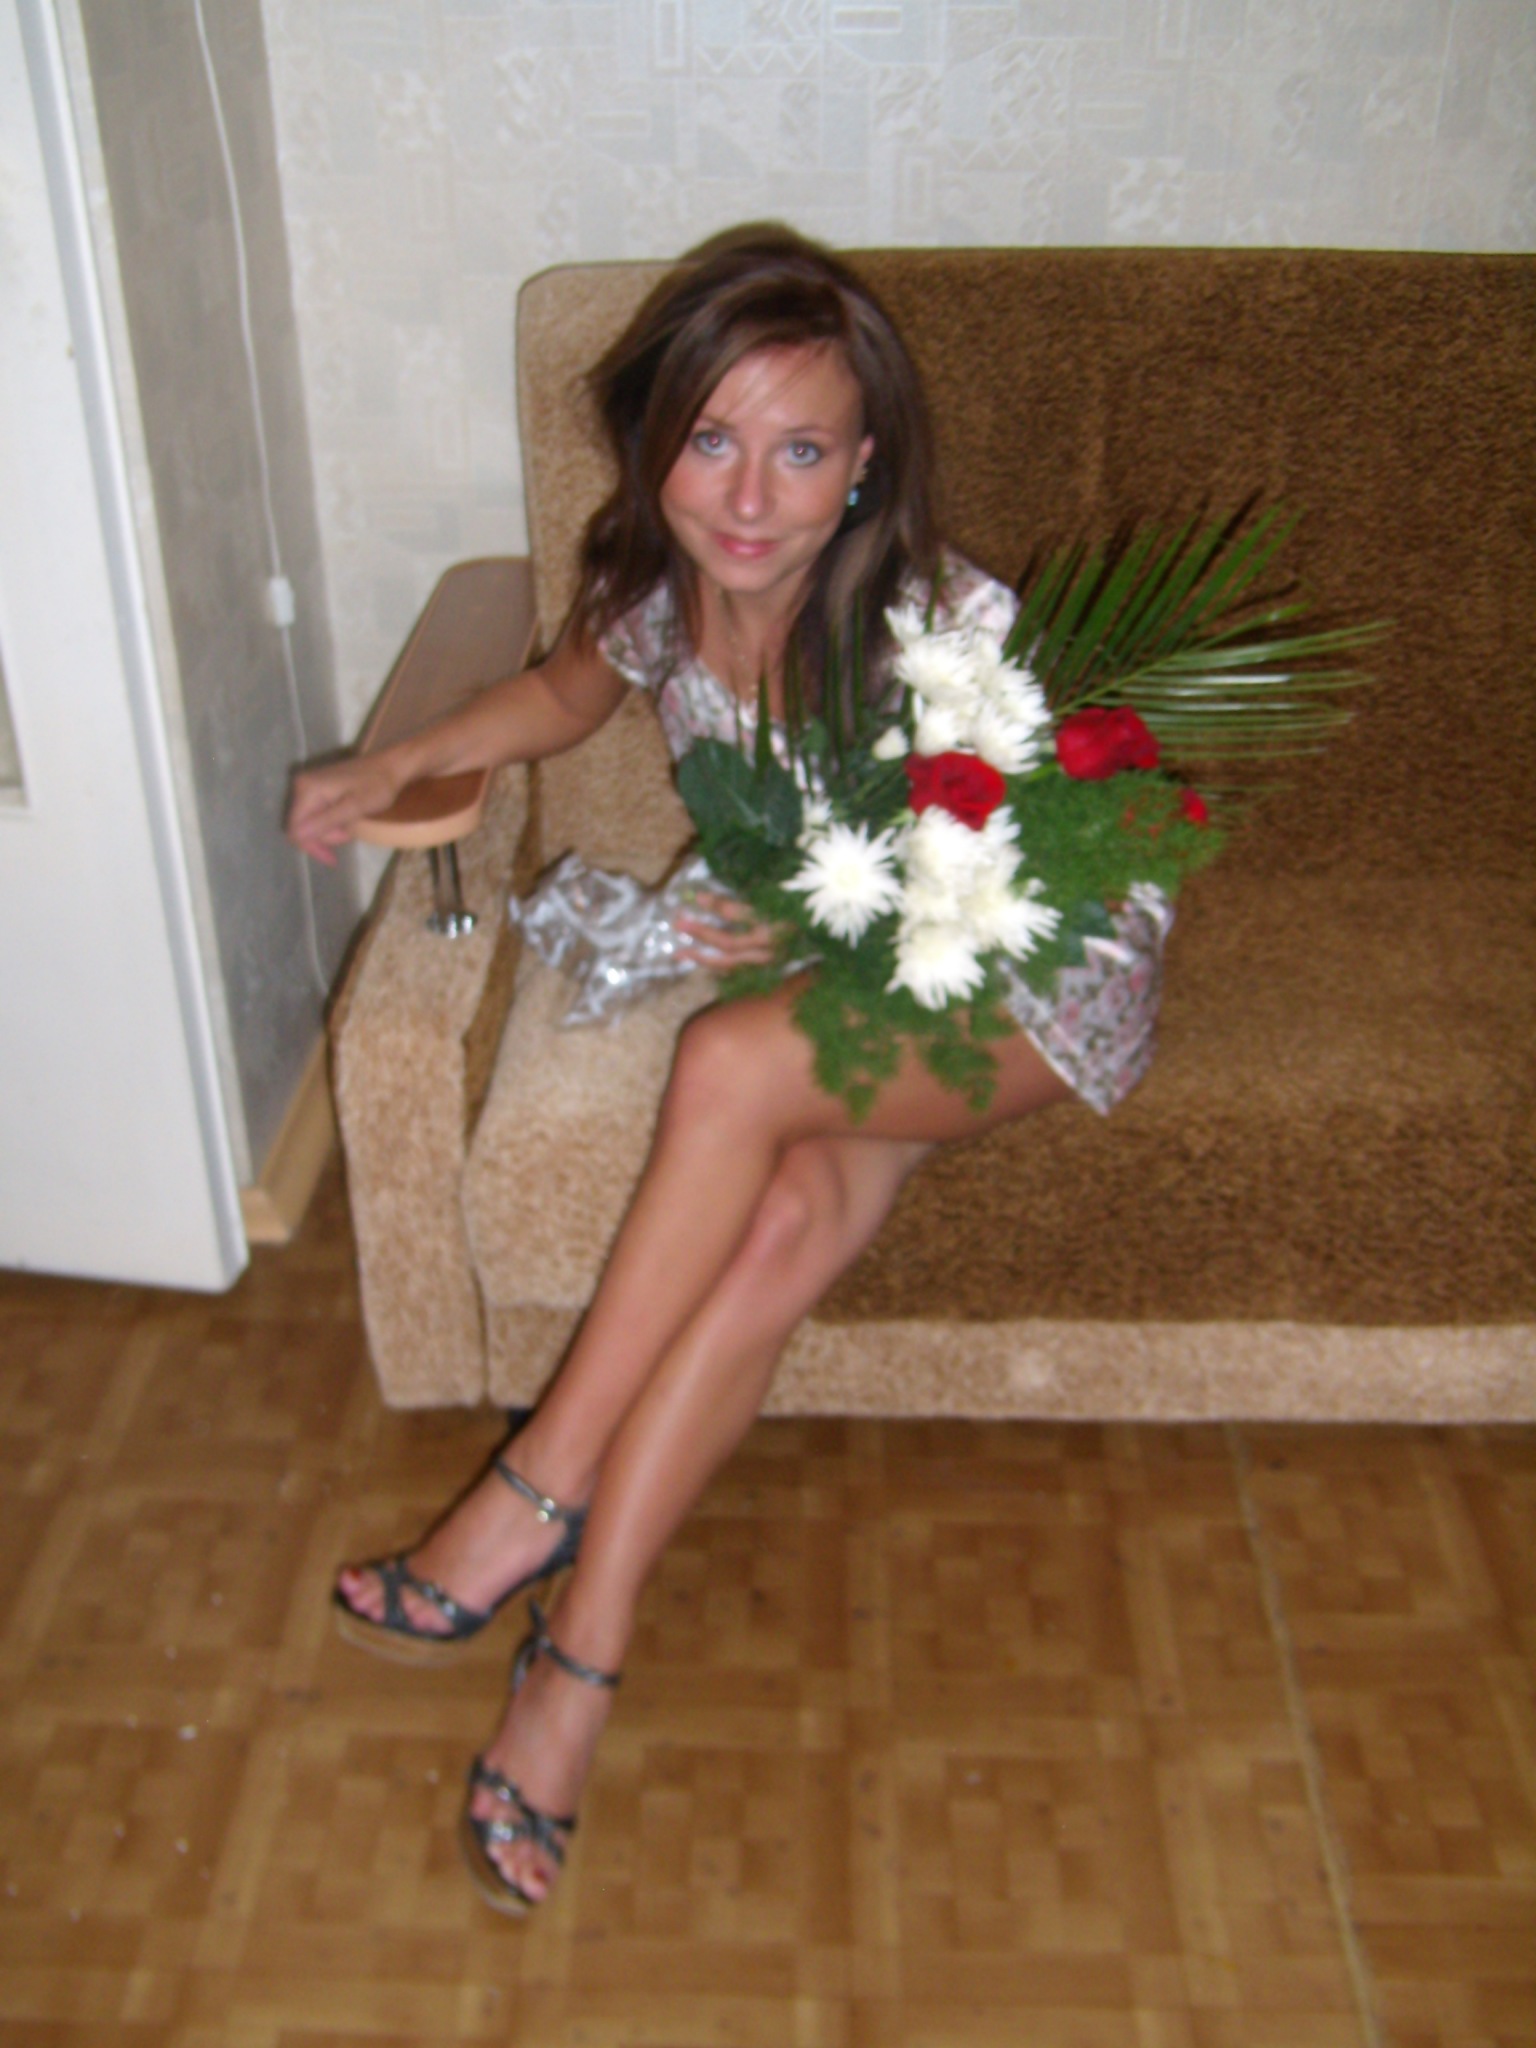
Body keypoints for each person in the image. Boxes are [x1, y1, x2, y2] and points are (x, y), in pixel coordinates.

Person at [286, 227, 1167, 1916]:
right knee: (777, 1227)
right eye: (710, 441)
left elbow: (1025, 883)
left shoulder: (944, 634)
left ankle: (532, 1490)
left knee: (731, 1066)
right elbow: (560, 698)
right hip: (856, 978)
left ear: (867, 463)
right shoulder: (656, 588)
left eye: (802, 450)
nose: (749, 498)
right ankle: (581, 1656)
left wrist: (831, 927)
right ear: (655, 442)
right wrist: (396, 761)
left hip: (1023, 974)